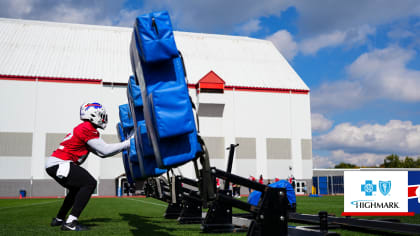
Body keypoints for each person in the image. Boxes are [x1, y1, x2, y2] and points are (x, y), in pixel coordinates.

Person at [45, 102, 131, 231]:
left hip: (55, 164)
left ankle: (59, 219)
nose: (103, 118)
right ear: (93, 115)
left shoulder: (84, 128)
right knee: (89, 183)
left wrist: (122, 146)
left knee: (75, 190)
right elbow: (106, 150)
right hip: (60, 163)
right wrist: (129, 143)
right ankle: (71, 222)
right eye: (101, 115)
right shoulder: (87, 128)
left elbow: (103, 154)